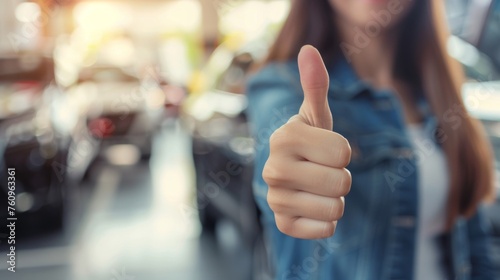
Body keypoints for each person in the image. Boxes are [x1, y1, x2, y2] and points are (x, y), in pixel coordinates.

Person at [245, 0, 497, 279]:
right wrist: (290, 167)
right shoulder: (283, 86)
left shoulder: (440, 90)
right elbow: (280, 136)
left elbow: (475, 245)